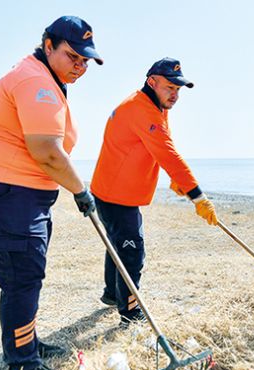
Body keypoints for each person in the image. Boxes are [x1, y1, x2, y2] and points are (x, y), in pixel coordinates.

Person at [0, 16, 102, 370]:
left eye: (85, 61)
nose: (79, 67)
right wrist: (81, 191)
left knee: (24, 275)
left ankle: (27, 341)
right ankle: (23, 365)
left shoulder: (45, 76)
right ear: (48, 45)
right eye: (72, 57)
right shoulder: (37, 81)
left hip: (16, 193)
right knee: (22, 278)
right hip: (4, 192)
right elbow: (47, 152)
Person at [89, 58, 218, 325]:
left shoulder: (152, 105)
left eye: (178, 90)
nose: (175, 95)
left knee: (119, 243)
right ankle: (130, 312)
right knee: (132, 251)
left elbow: (156, 147)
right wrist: (198, 196)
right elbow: (168, 153)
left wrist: (176, 179)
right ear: (152, 82)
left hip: (113, 190)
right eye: (170, 87)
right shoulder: (141, 110)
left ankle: (113, 294)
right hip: (115, 195)